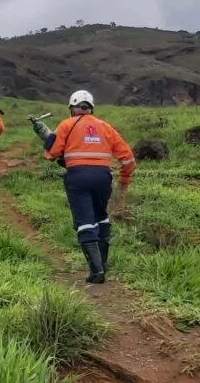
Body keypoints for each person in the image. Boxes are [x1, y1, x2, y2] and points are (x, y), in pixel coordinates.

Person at [32, 90, 135, 284]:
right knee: (101, 217)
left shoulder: (67, 125)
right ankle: (102, 265)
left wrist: (46, 136)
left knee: (85, 221)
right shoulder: (106, 127)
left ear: (72, 108)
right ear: (91, 108)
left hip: (78, 177)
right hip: (103, 177)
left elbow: (52, 154)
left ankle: (97, 272)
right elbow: (128, 159)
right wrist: (124, 180)